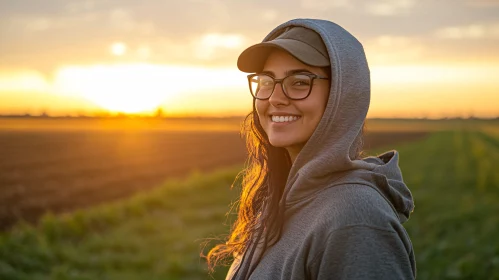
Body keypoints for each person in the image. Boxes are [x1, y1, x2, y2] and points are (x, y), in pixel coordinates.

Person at [206, 18, 416, 280]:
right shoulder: (278, 199)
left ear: (342, 94)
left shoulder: (355, 220)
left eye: (299, 82)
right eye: (267, 81)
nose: (275, 98)